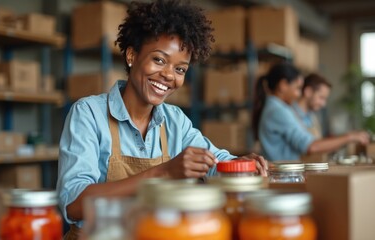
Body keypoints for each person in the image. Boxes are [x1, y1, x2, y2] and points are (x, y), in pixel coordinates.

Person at [57, 1, 268, 239]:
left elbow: (214, 162)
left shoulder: (174, 120)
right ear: (131, 55)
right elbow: (73, 203)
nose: (169, 75)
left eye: (180, 69)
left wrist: (239, 166)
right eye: (159, 60)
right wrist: (163, 172)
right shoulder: (89, 113)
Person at [252, 63, 370, 161]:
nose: (299, 94)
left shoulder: (276, 108)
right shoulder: (278, 111)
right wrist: (349, 137)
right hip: (282, 177)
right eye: (297, 88)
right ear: (283, 85)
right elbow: (311, 146)